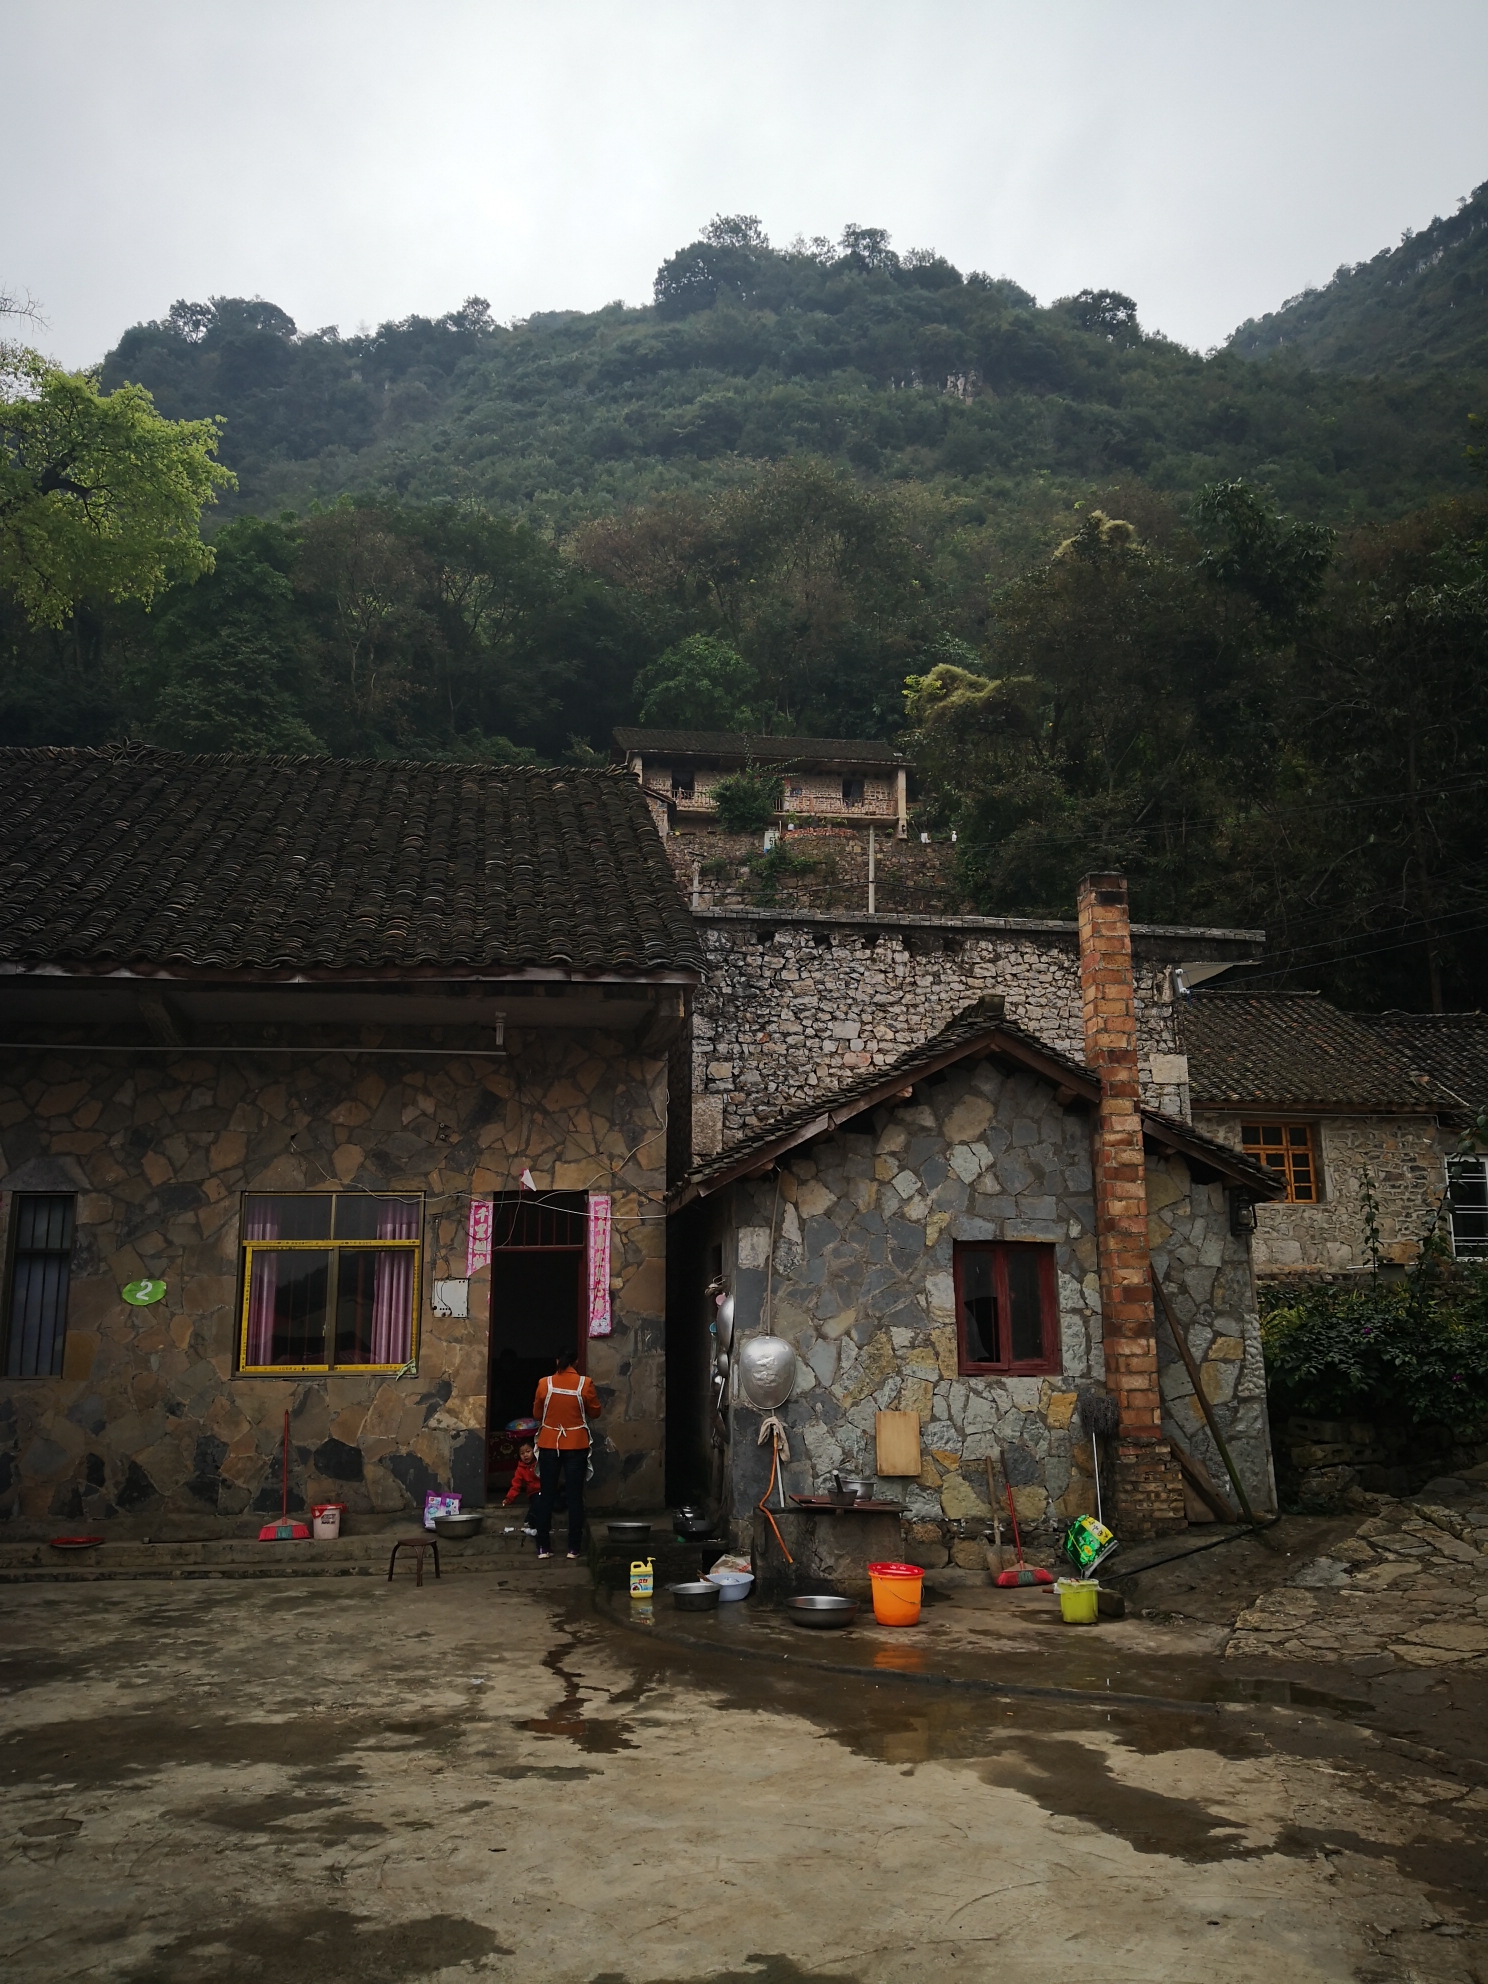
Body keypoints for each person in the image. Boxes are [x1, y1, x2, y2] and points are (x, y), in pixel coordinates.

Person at [533, 1350, 600, 1560]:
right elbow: (595, 1412)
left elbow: (537, 1414)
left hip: (549, 1444)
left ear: (556, 1361)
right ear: (576, 1362)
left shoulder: (544, 1383)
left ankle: (543, 1547)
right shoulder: (585, 1383)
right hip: (576, 1445)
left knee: (546, 1495)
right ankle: (574, 1548)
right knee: (574, 1497)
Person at [503, 1440, 541, 1535]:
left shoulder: (540, 1463)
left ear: (534, 1450)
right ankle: (529, 1522)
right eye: (522, 1453)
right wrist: (509, 1499)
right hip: (533, 1493)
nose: (525, 1455)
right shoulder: (520, 1469)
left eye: (528, 1451)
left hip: (546, 1491)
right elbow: (516, 1485)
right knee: (537, 1501)